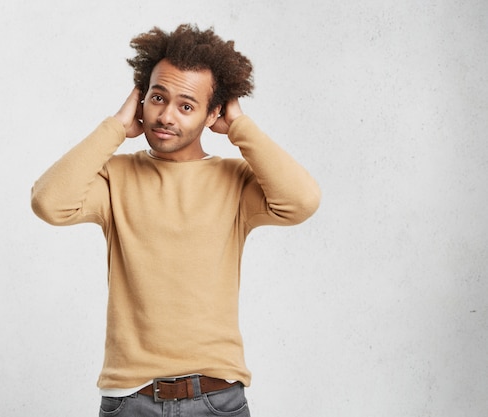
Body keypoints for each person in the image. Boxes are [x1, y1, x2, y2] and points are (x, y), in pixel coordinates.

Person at [31, 23, 320, 417]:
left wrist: (239, 126)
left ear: (211, 113)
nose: (166, 116)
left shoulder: (234, 181)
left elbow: (301, 201)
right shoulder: (115, 176)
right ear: (141, 99)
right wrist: (115, 127)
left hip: (218, 399)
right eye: (157, 97)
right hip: (131, 400)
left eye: (186, 106)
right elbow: (49, 202)